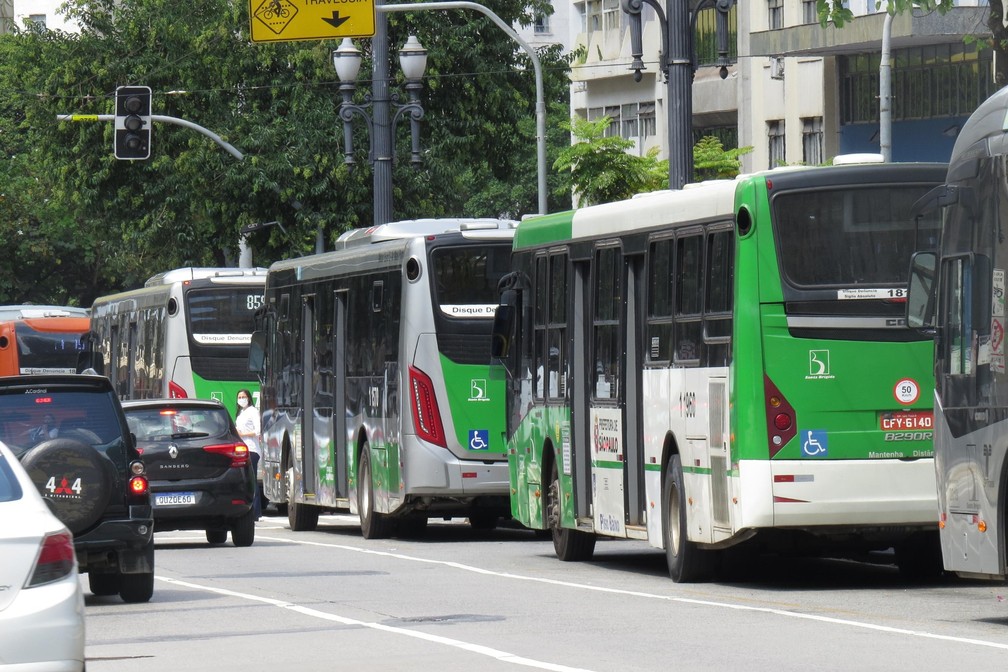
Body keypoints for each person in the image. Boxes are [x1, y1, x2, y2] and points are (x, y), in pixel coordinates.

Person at [235, 389, 262, 520]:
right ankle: (248, 510)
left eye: (243, 396)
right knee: (245, 480)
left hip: (252, 449)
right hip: (242, 450)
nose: (241, 399)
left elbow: (258, 431)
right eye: (239, 397)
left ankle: (256, 512)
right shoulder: (241, 413)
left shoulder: (253, 411)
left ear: (249, 398)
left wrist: (242, 435)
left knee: (252, 479)